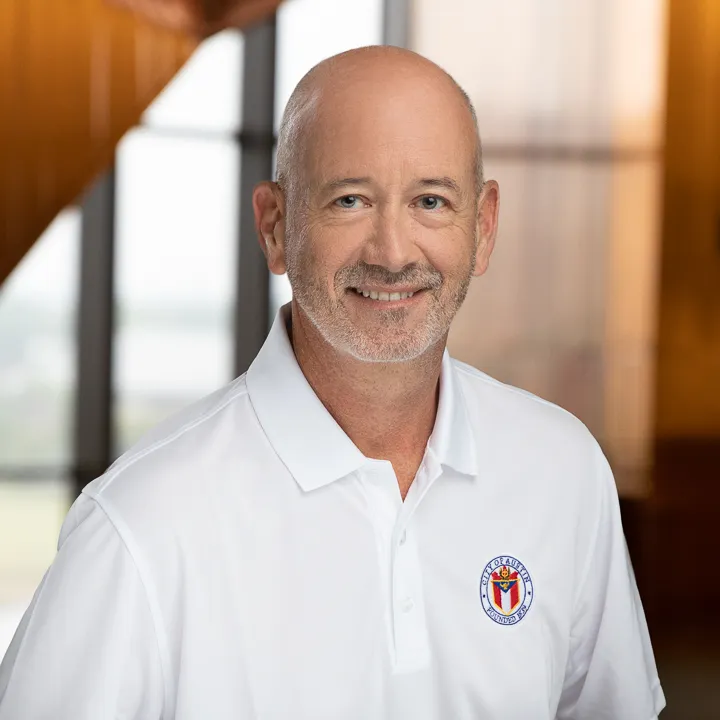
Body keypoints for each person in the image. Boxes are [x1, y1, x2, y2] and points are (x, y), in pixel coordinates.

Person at [0, 46, 665, 719]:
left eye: (431, 201)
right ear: (275, 227)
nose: (394, 251)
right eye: (350, 200)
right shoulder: (140, 526)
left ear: (483, 228)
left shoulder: (563, 471)